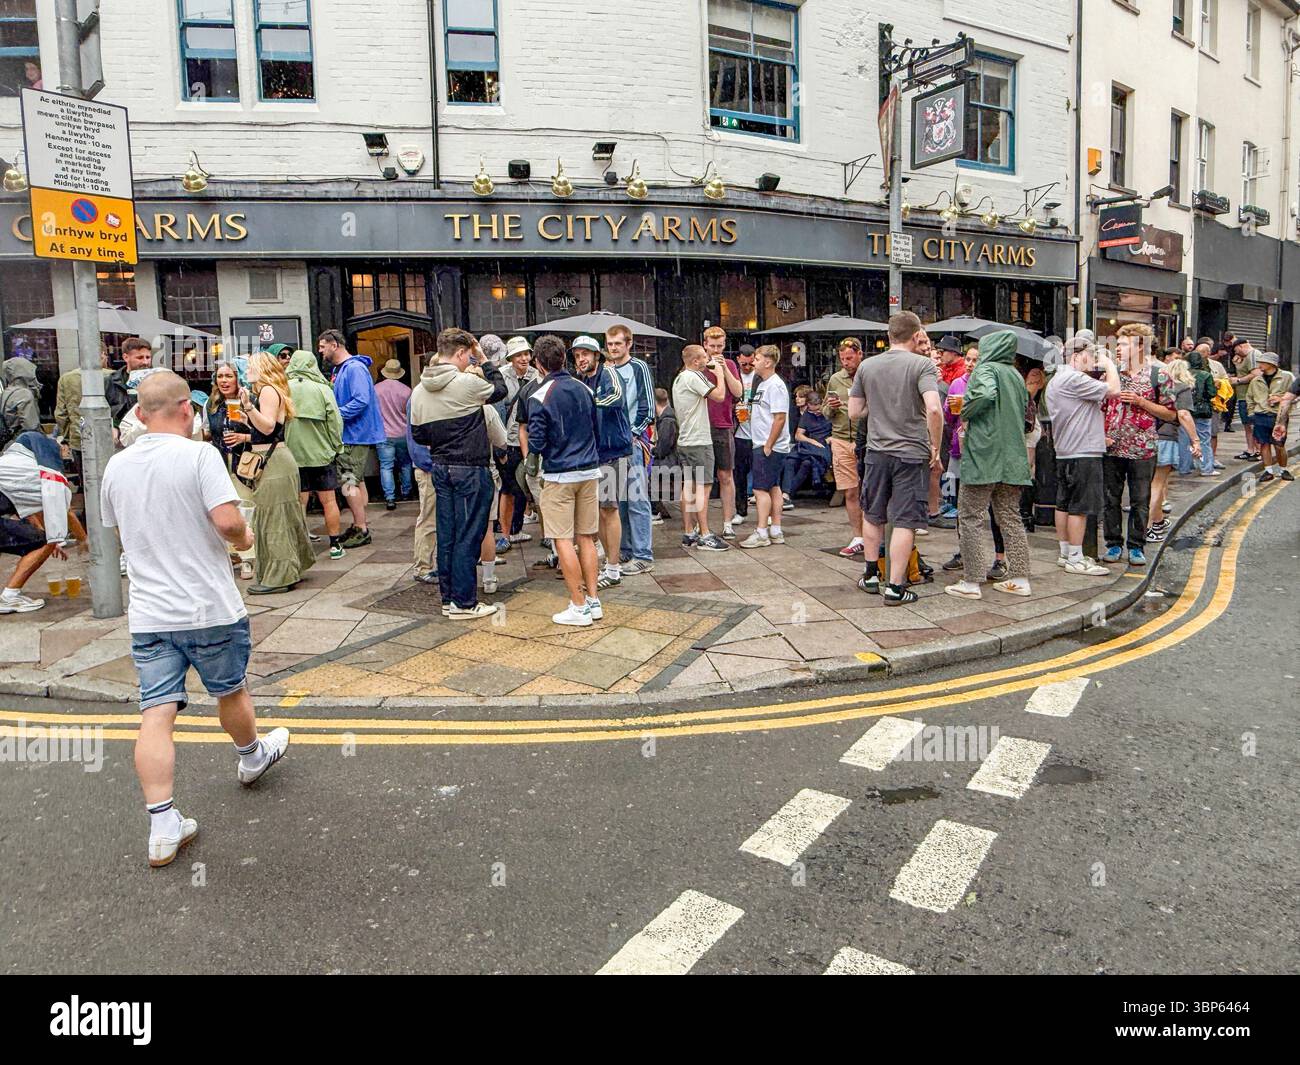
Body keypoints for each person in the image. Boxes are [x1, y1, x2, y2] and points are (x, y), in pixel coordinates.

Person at [101, 371, 290, 869]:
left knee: (156, 713)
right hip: (206, 607)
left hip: (149, 613)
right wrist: (246, 540)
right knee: (230, 690)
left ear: (140, 414)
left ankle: (162, 825)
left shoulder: (116, 467)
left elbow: (121, 530)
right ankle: (251, 757)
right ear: (187, 409)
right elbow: (229, 523)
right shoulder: (200, 455)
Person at [410, 327, 506, 620]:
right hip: (470, 467)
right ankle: (464, 603)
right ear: (462, 352)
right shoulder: (466, 383)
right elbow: (500, 389)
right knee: (469, 535)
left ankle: (449, 598)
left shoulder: (419, 390)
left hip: (440, 466)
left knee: (448, 534)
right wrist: (485, 359)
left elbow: (419, 434)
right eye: (468, 355)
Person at [848, 312, 943, 605]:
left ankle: (871, 574)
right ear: (916, 336)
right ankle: (896, 588)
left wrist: (879, 408)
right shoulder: (922, 364)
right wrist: (936, 448)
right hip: (911, 454)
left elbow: (853, 412)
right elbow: (935, 410)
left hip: (877, 453)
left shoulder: (867, 365)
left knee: (873, 514)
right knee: (904, 520)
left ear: (889, 335)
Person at [945, 330, 1032, 600]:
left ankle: (971, 581)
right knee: (1010, 517)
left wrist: (965, 409)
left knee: (969, 517)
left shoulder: (986, 370)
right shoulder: (1016, 375)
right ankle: (1019, 578)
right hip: (1012, 457)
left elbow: (984, 396)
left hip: (985, 455)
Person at [525, 334, 604, 627]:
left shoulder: (539, 395)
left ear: (538, 363)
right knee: (587, 538)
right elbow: (595, 427)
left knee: (562, 540)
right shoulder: (584, 388)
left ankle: (578, 605)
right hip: (588, 470)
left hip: (559, 473)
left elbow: (536, 441)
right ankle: (593, 600)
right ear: (564, 359)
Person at [1100, 323, 1175, 567]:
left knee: (1140, 499)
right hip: (1112, 446)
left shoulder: (1159, 374)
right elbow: (1100, 408)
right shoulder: (1112, 374)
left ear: (1140, 346)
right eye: (1117, 343)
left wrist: (1141, 402)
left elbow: (1170, 414)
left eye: (1123, 344)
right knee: (1110, 498)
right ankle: (1112, 544)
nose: (1117, 348)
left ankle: (1136, 546)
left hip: (1143, 447)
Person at [1043, 336, 1120, 575]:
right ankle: (1076, 558)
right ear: (1077, 356)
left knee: (1064, 503)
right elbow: (1115, 391)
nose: (1093, 363)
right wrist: (1110, 363)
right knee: (1080, 506)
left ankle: (1066, 552)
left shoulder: (1058, 378)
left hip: (1066, 451)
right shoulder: (1074, 378)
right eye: (1090, 357)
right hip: (1083, 451)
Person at [239, 352, 314, 593]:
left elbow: (269, 427)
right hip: (276, 460)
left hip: (274, 464)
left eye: (250, 365)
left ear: (261, 367)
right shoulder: (272, 390)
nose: (246, 369)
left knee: (274, 518)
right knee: (281, 516)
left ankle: (279, 578)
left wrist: (249, 409)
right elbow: (269, 430)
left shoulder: (268, 390)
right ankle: (288, 569)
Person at [571, 334, 632, 588]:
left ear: (597, 355)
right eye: (576, 355)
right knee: (598, 511)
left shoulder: (609, 374)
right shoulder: (581, 380)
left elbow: (615, 399)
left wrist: (587, 400)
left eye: (585, 353)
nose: (581, 358)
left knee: (609, 509)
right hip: (593, 454)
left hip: (613, 451)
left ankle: (614, 569)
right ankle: (609, 564)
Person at [0, 430, 83, 615]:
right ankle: (10, 596)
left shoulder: (16, 464)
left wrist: (45, 535)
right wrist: (82, 541)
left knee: (41, 539)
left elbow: (28, 506)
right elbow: (65, 511)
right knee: (44, 540)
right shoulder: (47, 473)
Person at [320, 328, 383, 548]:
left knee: (348, 481)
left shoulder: (353, 369)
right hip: (353, 433)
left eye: (322, 346)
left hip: (354, 434)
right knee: (355, 480)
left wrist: (334, 415)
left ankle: (361, 527)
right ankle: (359, 524)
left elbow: (361, 400)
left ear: (334, 345)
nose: (320, 351)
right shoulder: (345, 368)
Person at [284, 349, 346, 560]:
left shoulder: (283, 389)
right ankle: (335, 544)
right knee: (328, 500)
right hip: (321, 452)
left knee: (299, 501)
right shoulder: (322, 389)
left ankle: (302, 544)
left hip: (293, 454)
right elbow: (335, 422)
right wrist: (337, 447)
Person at [605, 323, 656, 575]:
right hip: (613, 444)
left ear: (628, 344)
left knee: (636, 499)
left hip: (632, 442)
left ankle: (643, 555)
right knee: (619, 500)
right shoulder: (607, 369)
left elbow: (648, 407)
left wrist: (635, 433)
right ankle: (625, 549)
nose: (613, 348)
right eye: (610, 343)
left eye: (617, 343)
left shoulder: (639, 367)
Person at [671, 344, 730, 552]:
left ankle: (689, 531)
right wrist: (720, 374)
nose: (707, 359)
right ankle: (705, 534)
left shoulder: (679, 378)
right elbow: (720, 396)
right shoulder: (695, 376)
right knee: (703, 489)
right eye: (704, 357)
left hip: (685, 440)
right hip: (699, 440)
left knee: (688, 487)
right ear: (695, 361)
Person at [739, 345, 791, 548]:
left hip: (767, 445)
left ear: (768, 362)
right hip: (762, 441)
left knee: (760, 489)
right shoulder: (763, 385)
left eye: (758, 359)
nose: (754, 362)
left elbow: (779, 417)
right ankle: (776, 529)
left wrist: (768, 444)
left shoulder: (775, 386)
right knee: (774, 486)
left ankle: (761, 531)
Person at [1148, 358, 1202, 541]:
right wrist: (1196, 440)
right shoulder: (1182, 387)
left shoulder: (1152, 385)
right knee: (1157, 484)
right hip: (1165, 437)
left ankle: (1158, 522)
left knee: (1149, 484)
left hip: (1145, 436)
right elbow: (1184, 414)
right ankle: (1148, 528)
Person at [700, 326, 744, 539]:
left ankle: (728, 522)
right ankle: (702, 524)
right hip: (701, 425)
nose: (716, 350)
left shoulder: (729, 364)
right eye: (712, 346)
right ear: (705, 344)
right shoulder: (698, 365)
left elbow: (738, 392)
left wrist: (724, 370)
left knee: (726, 474)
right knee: (702, 478)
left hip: (723, 424)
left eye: (720, 346)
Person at [824, 337, 866, 557]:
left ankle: (872, 534)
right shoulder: (835, 379)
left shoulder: (868, 375)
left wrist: (851, 406)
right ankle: (858, 535)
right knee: (850, 490)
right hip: (841, 437)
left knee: (870, 490)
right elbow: (825, 412)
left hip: (865, 438)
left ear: (860, 354)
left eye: (849, 358)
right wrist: (830, 408)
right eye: (842, 359)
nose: (846, 363)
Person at [497, 336, 537, 549]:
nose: (524, 358)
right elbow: (496, 411)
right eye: (519, 355)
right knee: (508, 489)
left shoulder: (537, 375)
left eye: (526, 354)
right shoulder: (501, 377)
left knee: (532, 486)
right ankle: (505, 534)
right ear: (510, 358)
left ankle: (521, 529)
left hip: (531, 439)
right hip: (508, 441)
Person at [406, 367, 438, 584]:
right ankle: (422, 566)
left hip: (430, 465)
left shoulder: (420, 394)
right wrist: (428, 464)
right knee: (428, 518)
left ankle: (427, 565)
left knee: (432, 518)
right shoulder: (419, 395)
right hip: (428, 467)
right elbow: (416, 438)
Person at [374, 358, 414, 511]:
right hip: (403, 433)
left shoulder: (376, 390)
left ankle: (390, 498)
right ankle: (406, 492)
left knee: (386, 466)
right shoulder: (407, 390)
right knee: (405, 464)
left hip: (383, 434)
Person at [1248, 352, 1294, 482]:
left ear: (1271, 364)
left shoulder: (1287, 377)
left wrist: (1281, 399)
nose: (1259, 365)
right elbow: (1249, 398)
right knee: (1264, 444)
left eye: (1262, 362)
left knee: (1279, 445)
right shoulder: (1256, 380)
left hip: (1279, 416)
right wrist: (1252, 414)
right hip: (1260, 415)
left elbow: (1296, 396)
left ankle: (1283, 469)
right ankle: (1268, 471)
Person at [782, 388, 832, 503]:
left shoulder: (829, 414)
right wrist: (811, 441)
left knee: (807, 463)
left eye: (818, 408)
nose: (816, 412)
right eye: (813, 409)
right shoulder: (807, 415)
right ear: (808, 405)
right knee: (790, 461)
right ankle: (785, 493)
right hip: (808, 445)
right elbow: (798, 435)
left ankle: (787, 493)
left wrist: (830, 438)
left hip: (822, 447)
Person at [1179, 350, 1218, 477]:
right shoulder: (1206, 375)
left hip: (1185, 409)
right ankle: (1206, 468)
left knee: (1185, 440)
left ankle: (1184, 468)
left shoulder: (1182, 374)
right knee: (1204, 440)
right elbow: (1211, 393)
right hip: (1203, 411)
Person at [731, 344, 757, 527]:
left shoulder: (761, 377)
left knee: (762, 474)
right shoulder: (734, 375)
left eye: (750, 364)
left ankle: (768, 510)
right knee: (739, 474)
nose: (747, 367)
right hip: (740, 431)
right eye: (744, 364)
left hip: (758, 431)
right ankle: (741, 510)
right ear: (739, 359)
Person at [104, 337, 155, 429]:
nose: (145, 362)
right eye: (139, 357)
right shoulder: (110, 382)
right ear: (125, 357)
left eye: (148, 357)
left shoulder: (159, 380)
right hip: (120, 437)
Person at [651, 387, 680, 522]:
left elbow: (663, 448)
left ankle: (655, 512)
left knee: (644, 478)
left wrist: (652, 450)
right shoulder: (668, 417)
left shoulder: (667, 420)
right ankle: (658, 509)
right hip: (669, 461)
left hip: (668, 462)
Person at [1229, 339, 1261, 459]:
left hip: (1251, 397)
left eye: (1235, 349)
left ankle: (1258, 451)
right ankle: (1250, 449)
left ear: (1241, 346)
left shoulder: (1253, 355)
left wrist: (1238, 380)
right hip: (1243, 396)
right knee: (1247, 424)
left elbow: (1256, 374)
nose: (1235, 352)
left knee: (1253, 424)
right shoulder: (1243, 357)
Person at [1, 356, 42, 447]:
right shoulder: (24, 394)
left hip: (9, 443)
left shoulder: (7, 392)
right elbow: (31, 426)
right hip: (25, 443)